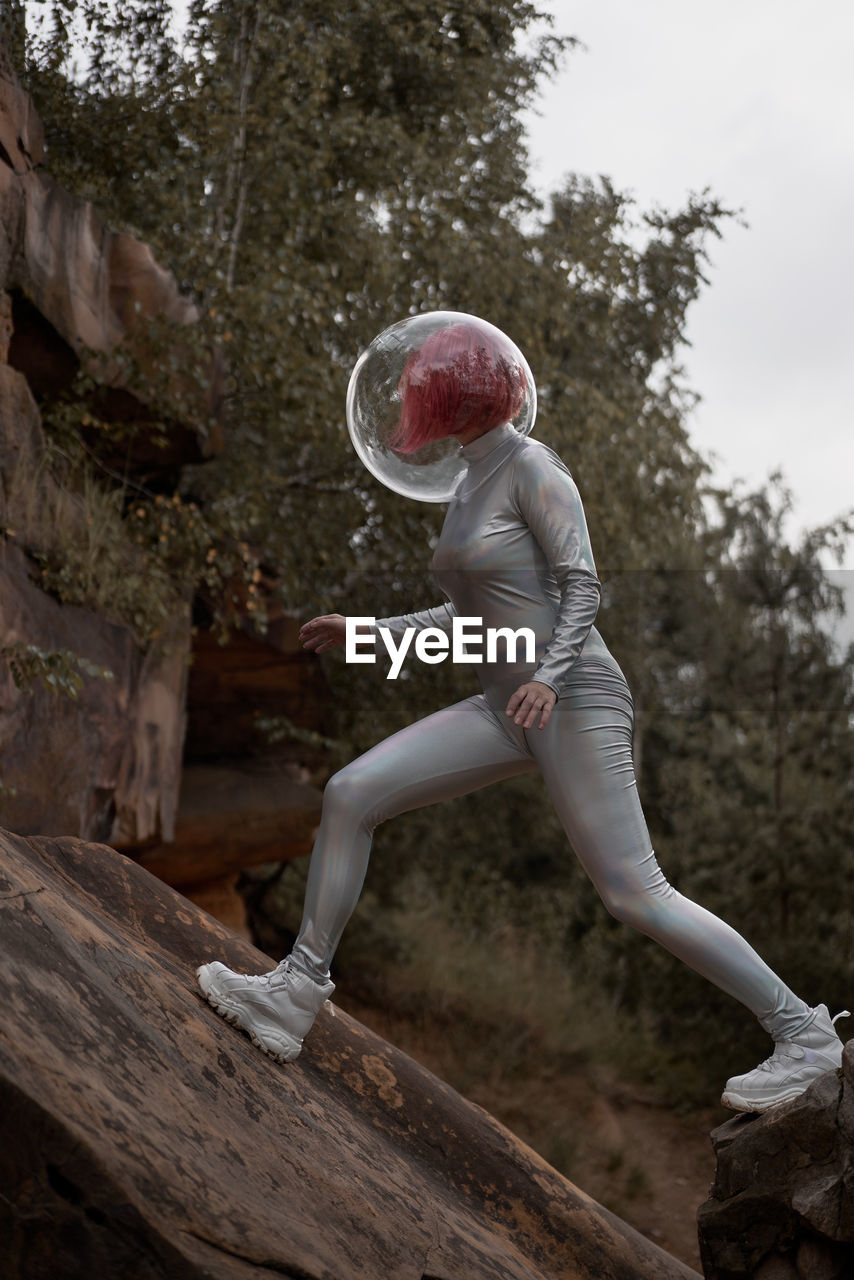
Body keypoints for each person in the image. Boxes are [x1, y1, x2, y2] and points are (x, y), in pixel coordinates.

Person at [197, 318, 847, 1113]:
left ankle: (805, 1035)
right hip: (505, 708)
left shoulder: (532, 467)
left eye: (418, 384)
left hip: (570, 697)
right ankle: (297, 992)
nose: (407, 395)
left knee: (635, 893)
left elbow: (584, 587)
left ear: (453, 390)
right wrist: (366, 636)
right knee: (351, 793)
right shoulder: (470, 482)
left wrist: (548, 675)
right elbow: (470, 619)